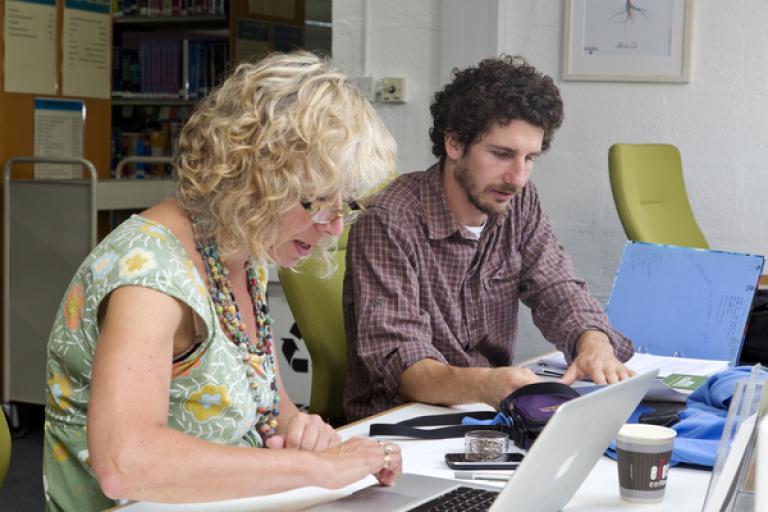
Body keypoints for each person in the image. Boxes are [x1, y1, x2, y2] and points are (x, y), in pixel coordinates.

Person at [43, 51, 402, 511]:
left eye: (345, 204)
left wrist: (303, 430)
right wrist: (316, 469)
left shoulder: (241, 249)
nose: (335, 227)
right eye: (316, 202)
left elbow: (265, 402)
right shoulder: (148, 276)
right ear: (255, 177)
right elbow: (125, 463)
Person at [343, 55, 635, 421]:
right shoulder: (390, 221)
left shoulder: (519, 202)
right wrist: (485, 384)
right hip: (403, 423)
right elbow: (402, 363)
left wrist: (592, 342)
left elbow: (556, 287)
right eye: (501, 154)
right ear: (453, 143)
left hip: (488, 416)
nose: (517, 177)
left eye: (530, 158)